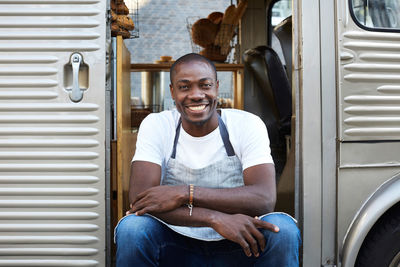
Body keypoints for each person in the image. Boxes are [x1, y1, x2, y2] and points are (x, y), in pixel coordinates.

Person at [115, 53, 300, 266]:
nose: (196, 95)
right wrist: (214, 219)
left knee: (282, 228)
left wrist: (184, 193)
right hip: (175, 243)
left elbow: (264, 198)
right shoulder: (157, 125)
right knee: (132, 228)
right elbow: (141, 200)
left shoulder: (246, 124)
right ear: (172, 92)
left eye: (205, 85)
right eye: (185, 87)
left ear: (217, 87)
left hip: (240, 243)